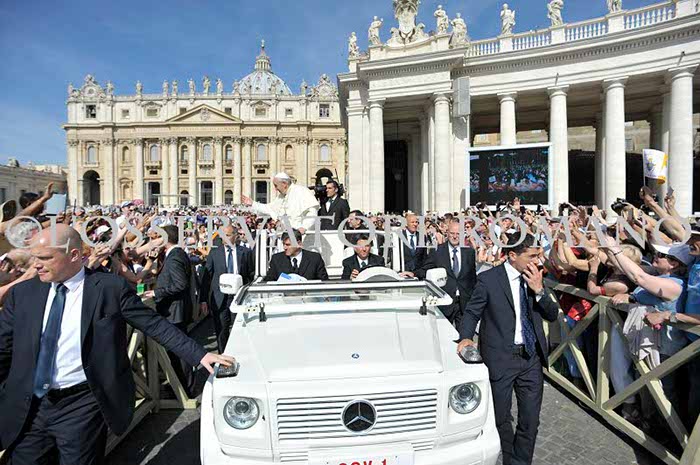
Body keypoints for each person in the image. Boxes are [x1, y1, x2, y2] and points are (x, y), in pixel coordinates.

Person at [0, 224, 233, 464]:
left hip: (82, 405)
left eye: (45, 258)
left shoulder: (109, 288)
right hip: (29, 407)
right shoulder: (23, 293)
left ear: (74, 255)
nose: (36, 265)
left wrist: (200, 355)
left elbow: (153, 324)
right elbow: (3, 348)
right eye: (35, 257)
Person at [457, 233, 559, 465]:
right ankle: (509, 457)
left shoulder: (536, 278)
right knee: (501, 418)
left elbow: (552, 315)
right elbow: (472, 311)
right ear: (512, 255)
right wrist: (465, 338)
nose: (537, 261)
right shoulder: (489, 279)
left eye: (538, 255)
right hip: (500, 358)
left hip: (531, 358)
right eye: (532, 256)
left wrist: (539, 291)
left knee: (530, 421)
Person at [142, 225, 198, 395]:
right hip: (176, 310)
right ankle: (183, 386)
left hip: (174, 311)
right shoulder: (176, 254)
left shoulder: (174, 257)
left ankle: (185, 389)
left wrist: (156, 292)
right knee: (179, 351)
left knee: (178, 353)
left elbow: (180, 284)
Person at [199, 226, 255, 354]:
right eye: (223, 235)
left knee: (240, 328)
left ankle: (240, 354)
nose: (225, 238)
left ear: (236, 236)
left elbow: (251, 274)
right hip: (220, 298)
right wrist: (203, 300)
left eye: (228, 235)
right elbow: (206, 278)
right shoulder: (214, 253)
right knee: (221, 330)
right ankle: (223, 356)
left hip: (239, 297)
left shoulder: (245, 252)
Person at [417, 220, 477, 328]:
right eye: (452, 233)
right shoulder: (438, 251)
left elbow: (472, 278)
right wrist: (412, 274)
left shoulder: (469, 252)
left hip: (464, 303)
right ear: (447, 233)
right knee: (444, 334)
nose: (455, 236)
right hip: (444, 301)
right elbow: (425, 269)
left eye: (458, 234)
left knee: (464, 335)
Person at [242, 172, 319, 234]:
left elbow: (312, 212)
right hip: (287, 235)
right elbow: (269, 209)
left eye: (276, 186)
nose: (276, 189)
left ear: (284, 184)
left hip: (302, 235)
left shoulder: (301, 191)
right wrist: (253, 203)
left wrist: (304, 227)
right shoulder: (281, 197)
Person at [264, 229, 328, 281]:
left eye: (288, 245)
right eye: (283, 244)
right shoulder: (276, 259)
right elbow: (269, 281)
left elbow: (324, 282)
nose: (284, 247)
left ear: (299, 244)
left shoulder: (315, 259)